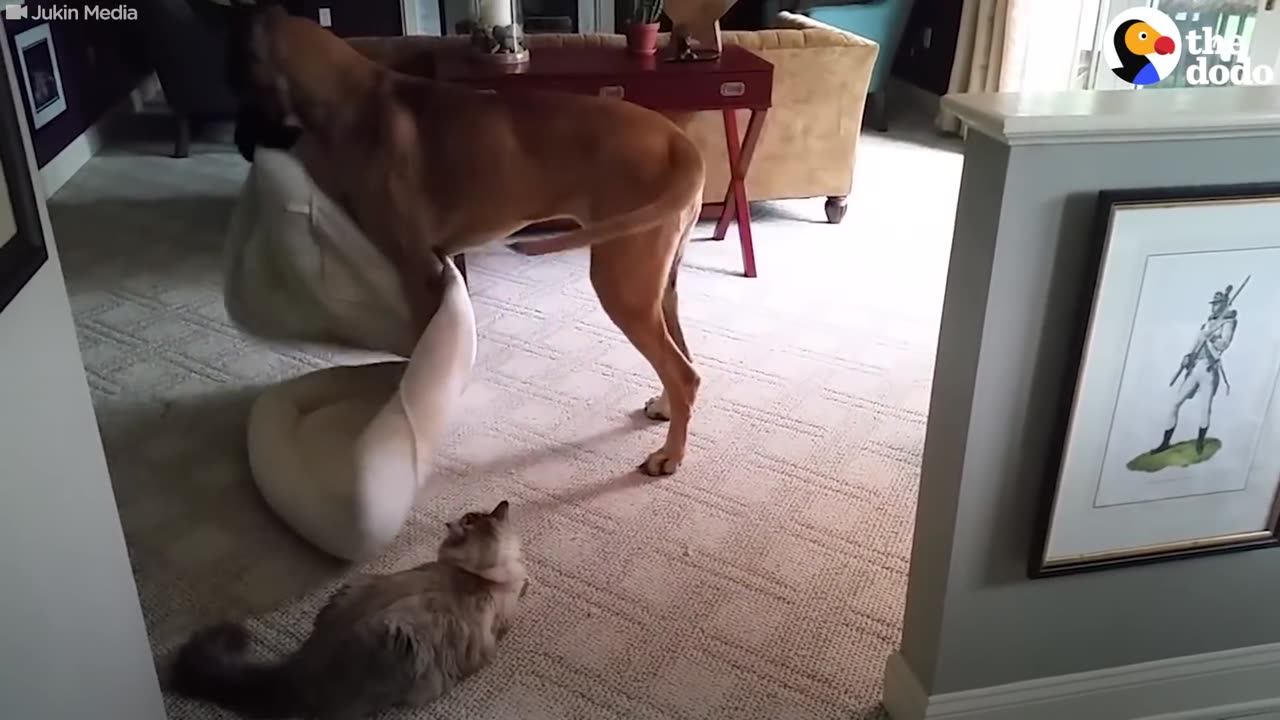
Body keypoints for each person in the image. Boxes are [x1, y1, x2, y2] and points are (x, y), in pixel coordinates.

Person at [1153, 283, 1239, 456]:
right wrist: (1187, 356)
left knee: (1205, 408)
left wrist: (1213, 337)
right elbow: (1196, 343)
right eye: (1213, 303)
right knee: (1175, 403)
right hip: (1195, 367)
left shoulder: (1228, 322)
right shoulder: (1208, 322)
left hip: (1209, 368)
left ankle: (1200, 443)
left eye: (1218, 303)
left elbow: (1225, 344)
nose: (1214, 306)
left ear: (1224, 304)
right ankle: (1165, 443)